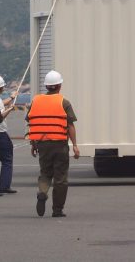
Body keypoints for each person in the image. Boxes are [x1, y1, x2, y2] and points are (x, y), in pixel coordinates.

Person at [26, 70, 79, 218]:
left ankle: (42, 192)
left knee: (45, 173)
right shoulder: (64, 102)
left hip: (42, 144)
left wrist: (33, 144)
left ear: (46, 86)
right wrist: (75, 145)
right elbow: (70, 126)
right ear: (59, 86)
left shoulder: (35, 101)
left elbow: (33, 123)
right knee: (60, 178)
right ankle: (57, 210)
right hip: (59, 144)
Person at [0, 75, 18, 194]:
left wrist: (11, 98)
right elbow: (0, 117)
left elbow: (0, 103)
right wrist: (10, 109)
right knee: (6, 160)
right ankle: (5, 186)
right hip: (0, 133)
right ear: (1, 88)